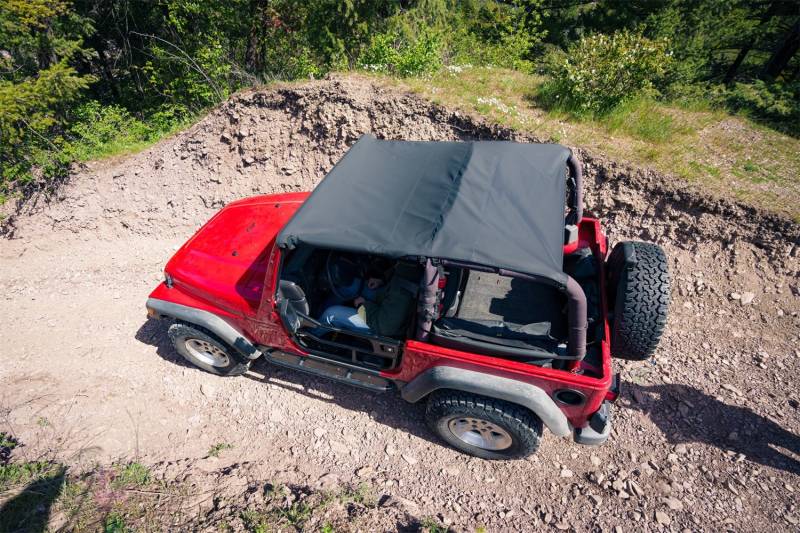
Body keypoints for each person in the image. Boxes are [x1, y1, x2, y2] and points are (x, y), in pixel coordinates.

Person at [316, 262, 419, 337]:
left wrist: (363, 305)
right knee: (351, 286)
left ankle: (312, 335)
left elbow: (385, 327)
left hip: (380, 325)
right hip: (386, 300)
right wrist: (382, 279)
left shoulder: (403, 295)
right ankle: (319, 317)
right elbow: (397, 273)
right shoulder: (412, 263)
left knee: (331, 314)